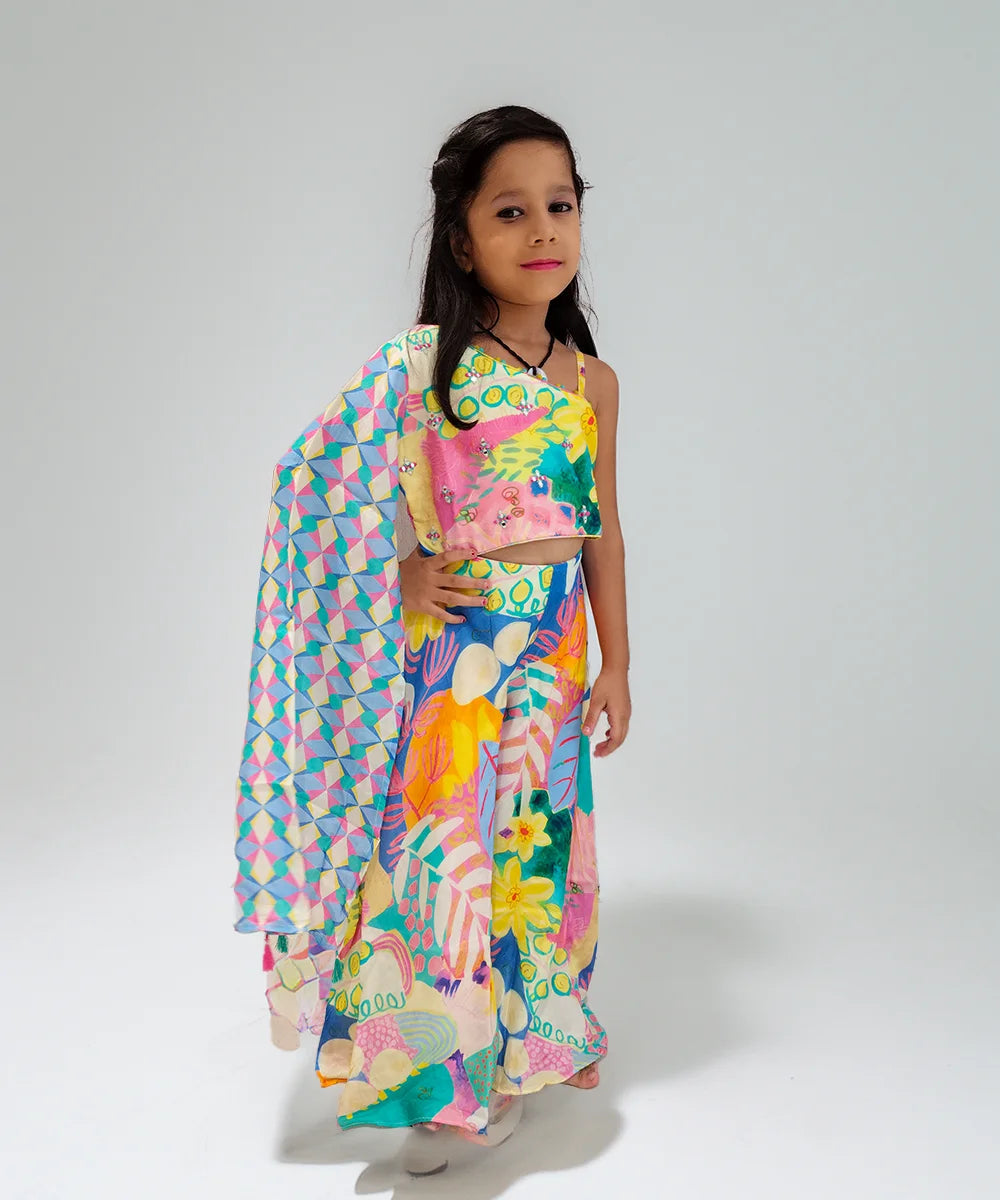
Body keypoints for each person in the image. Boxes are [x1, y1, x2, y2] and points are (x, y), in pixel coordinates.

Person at [232, 104, 631, 1174]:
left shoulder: (590, 383)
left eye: (560, 205)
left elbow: (601, 528)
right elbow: (315, 482)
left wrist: (619, 665)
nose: (542, 229)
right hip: (455, 665)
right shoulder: (427, 369)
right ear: (463, 239)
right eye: (511, 211)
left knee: (531, 863)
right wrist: (401, 571)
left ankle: (513, 1062)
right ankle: (433, 1084)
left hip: (550, 668)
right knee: (435, 871)